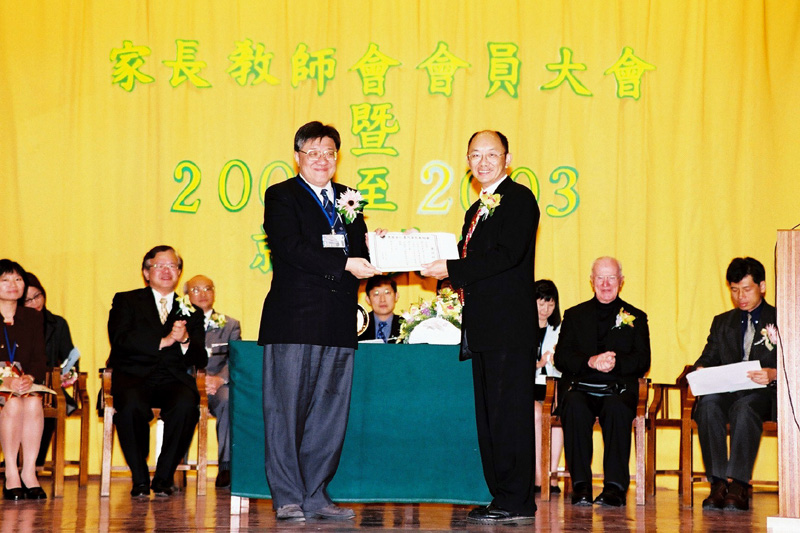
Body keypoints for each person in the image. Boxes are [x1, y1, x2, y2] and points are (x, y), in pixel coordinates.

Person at [258, 121, 380, 521]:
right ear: (298, 157)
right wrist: (344, 263)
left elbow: (360, 251)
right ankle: (287, 496)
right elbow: (290, 247)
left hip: (340, 320)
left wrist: (382, 247)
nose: (322, 159)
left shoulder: (348, 197)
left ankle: (315, 494)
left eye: (329, 152)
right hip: (294, 320)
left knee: (329, 414)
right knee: (286, 412)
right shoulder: (282, 195)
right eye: (313, 152)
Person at [421, 130, 539, 524]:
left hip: (508, 327)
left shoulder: (519, 199)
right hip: (484, 327)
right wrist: (419, 256)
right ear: (467, 161)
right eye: (475, 154)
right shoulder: (476, 209)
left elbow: (506, 256)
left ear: (508, 159)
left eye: (492, 154)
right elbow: (463, 259)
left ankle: (517, 500)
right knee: (490, 417)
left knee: (509, 415)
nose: (483, 161)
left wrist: (450, 267)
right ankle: (501, 495)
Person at [107, 245, 207, 498]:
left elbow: (200, 358)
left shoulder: (191, 310)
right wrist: (162, 341)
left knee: (186, 404)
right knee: (130, 406)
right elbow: (120, 339)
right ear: (146, 272)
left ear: (179, 272)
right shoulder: (127, 300)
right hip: (133, 376)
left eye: (172, 266)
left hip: (172, 378)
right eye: (159, 266)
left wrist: (184, 340)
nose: (166, 271)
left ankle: (164, 477)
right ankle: (140, 477)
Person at [554, 256, 651, 507]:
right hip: (581, 387)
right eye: (600, 278)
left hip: (618, 389)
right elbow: (561, 357)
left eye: (611, 278)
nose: (605, 284)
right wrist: (591, 361)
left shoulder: (636, 317)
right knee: (573, 404)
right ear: (592, 281)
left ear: (621, 281)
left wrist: (614, 363)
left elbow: (643, 360)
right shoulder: (574, 315)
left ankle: (614, 488)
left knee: (617, 407)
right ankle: (581, 486)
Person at [692, 257, 777, 512]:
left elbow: (794, 361)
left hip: (763, 394)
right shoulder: (722, 322)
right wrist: (701, 369)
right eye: (734, 290)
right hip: (730, 390)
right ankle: (718, 484)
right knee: (708, 405)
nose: (740, 297)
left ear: (762, 286)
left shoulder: (782, 317)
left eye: (747, 289)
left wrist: (773, 373)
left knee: (745, 408)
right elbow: (708, 357)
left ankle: (738, 485)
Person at [185, 274, 241, 489]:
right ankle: (175, 468)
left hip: (217, 385)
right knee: (179, 401)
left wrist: (219, 379)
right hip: (187, 384)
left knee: (229, 398)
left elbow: (235, 358)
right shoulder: (178, 323)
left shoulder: (230, 324)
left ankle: (226, 466)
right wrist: (196, 381)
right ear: (186, 296)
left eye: (208, 288)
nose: (203, 294)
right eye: (196, 290)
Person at [0, 259, 48, 500]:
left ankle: (29, 472)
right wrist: (4, 382)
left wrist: (30, 376)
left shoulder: (32, 317)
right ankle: (11, 472)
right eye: (5, 280)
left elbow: (40, 357)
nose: (13, 284)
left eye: (18, 279)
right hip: (2, 382)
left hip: (22, 382)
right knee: (13, 404)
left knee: (33, 402)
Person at [23, 273, 78, 466]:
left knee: (49, 402)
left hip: (48, 387)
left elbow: (71, 358)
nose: (35, 303)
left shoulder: (58, 324)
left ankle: (33, 464)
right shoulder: (13, 323)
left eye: (37, 296)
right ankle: (14, 461)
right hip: (21, 384)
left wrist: (68, 374)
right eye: (28, 300)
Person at [533, 279, 563, 494]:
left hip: (552, 385)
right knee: (536, 415)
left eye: (550, 304)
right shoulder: (521, 328)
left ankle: (552, 475)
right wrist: (538, 364)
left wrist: (556, 360)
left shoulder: (560, 329)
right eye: (541, 303)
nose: (545, 309)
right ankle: (538, 475)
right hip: (528, 386)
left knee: (558, 418)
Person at [358, 275, 402, 343]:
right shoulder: (359, 325)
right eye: (376, 294)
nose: (382, 300)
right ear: (368, 299)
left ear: (396, 296)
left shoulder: (407, 325)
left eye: (387, 293)